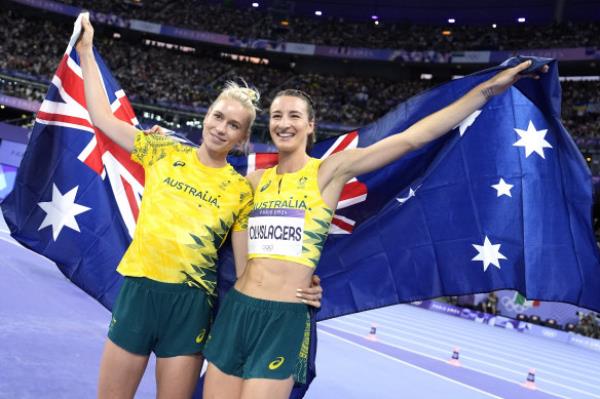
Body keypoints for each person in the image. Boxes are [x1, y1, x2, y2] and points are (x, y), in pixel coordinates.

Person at [202, 60, 548, 399]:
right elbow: (229, 235)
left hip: (282, 321)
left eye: (294, 115)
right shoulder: (253, 181)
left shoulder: (330, 171)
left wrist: (489, 89)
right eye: (277, 115)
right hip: (239, 310)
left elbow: (412, 139)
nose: (284, 123)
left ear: (311, 125)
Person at [76, 15, 321, 399]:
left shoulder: (242, 191)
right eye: (218, 116)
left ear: (242, 139)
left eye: (234, 126)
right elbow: (101, 118)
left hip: (191, 307)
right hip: (139, 292)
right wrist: (87, 52)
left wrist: (300, 285)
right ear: (205, 116)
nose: (222, 128)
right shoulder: (162, 150)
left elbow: (248, 268)